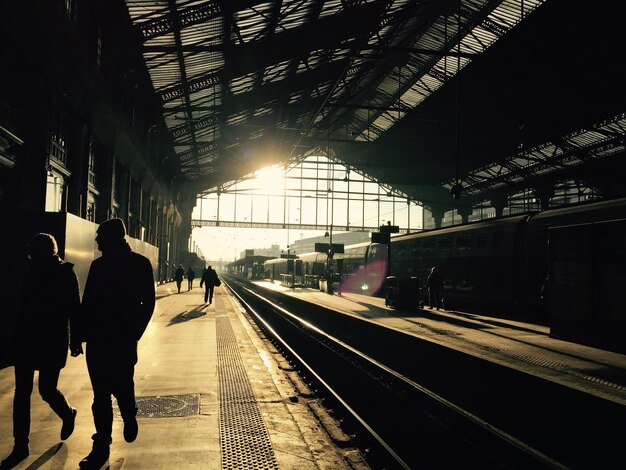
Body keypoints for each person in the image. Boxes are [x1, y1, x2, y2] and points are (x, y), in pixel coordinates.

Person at [77, 218, 155, 469]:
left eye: (100, 236)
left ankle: (129, 412)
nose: (97, 240)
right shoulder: (98, 266)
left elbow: (148, 303)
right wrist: (78, 335)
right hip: (100, 340)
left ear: (112, 237)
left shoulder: (139, 265)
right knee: (100, 395)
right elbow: (87, 304)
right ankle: (101, 446)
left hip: (120, 339)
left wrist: (134, 333)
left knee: (121, 387)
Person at [1, 234, 80, 469]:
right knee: (22, 392)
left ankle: (68, 413)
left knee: (46, 389)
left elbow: (74, 309)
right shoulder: (29, 271)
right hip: (28, 339)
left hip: (51, 339)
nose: (30, 256)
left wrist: (76, 340)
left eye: (34, 252)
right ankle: (20, 446)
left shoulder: (65, 273)